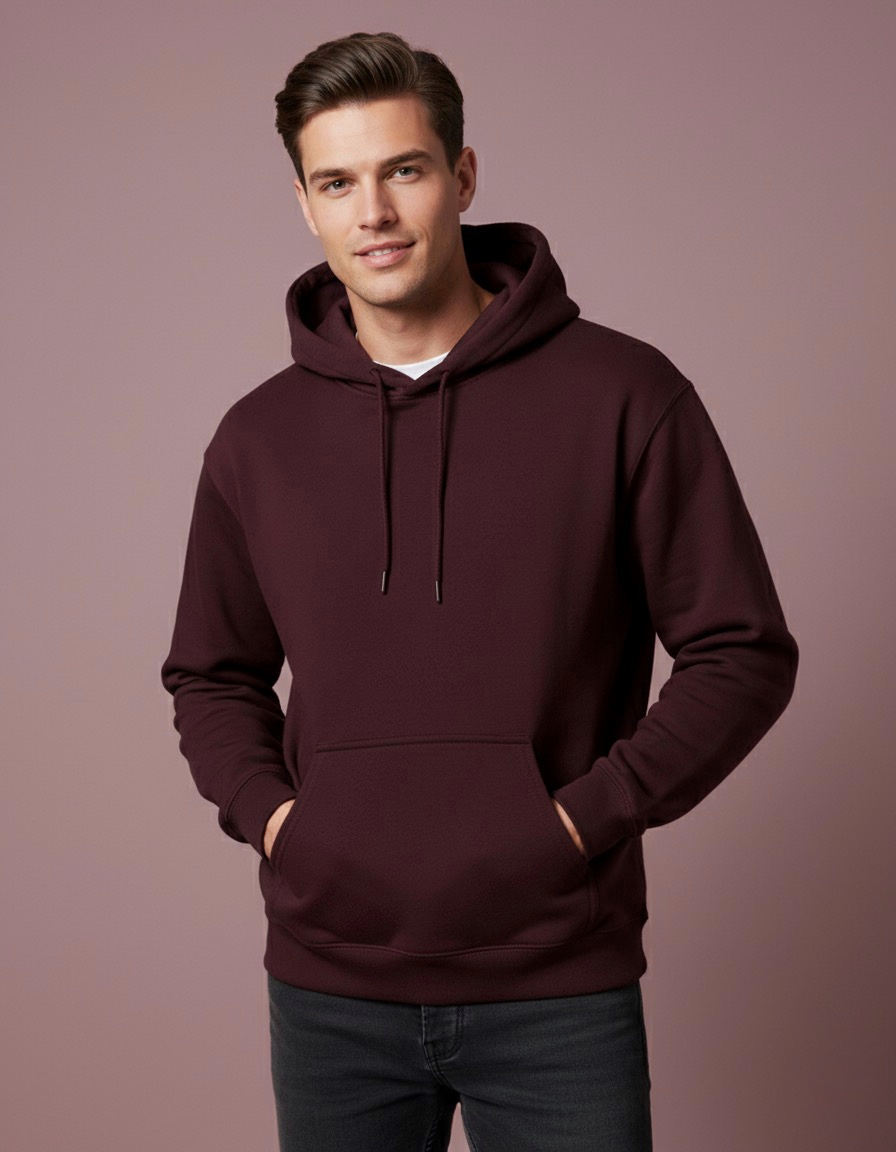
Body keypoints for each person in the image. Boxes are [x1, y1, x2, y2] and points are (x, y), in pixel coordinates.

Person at [160, 30, 799, 1152]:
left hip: (557, 983)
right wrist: (280, 824)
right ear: (303, 205)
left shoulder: (623, 395)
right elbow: (211, 674)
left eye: (403, 170)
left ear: (461, 176)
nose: (374, 213)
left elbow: (740, 651)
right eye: (336, 183)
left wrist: (582, 820)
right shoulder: (256, 439)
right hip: (330, 988)